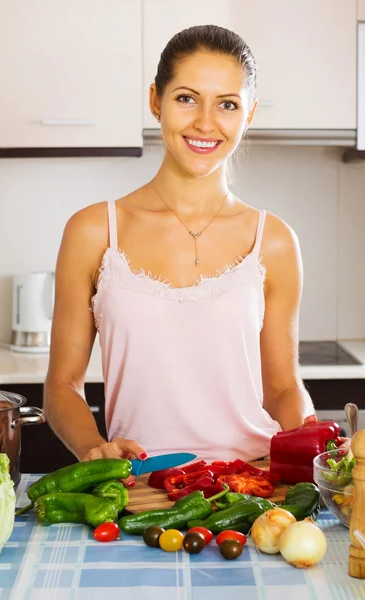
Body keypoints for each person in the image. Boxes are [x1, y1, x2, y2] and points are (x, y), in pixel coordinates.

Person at [43, 24, 316, 486]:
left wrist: (315, 437)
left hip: (253, 489)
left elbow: (284, 388)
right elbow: (61, 389)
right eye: (187, 98)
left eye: (227, 104)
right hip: (141, 488)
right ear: (156, 100)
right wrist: (95, 449)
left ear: (248, 114)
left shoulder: (273, 240)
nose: (206, 123)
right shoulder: (94, 231)